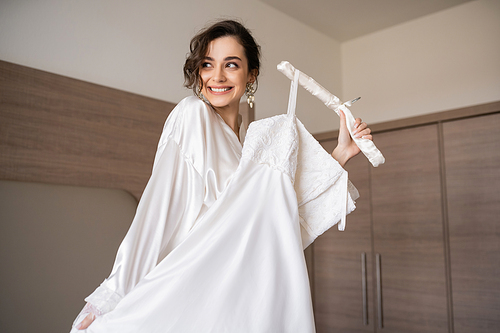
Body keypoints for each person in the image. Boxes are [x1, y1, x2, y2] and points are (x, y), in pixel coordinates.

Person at [71, 19, 372, 332]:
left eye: (231, 65)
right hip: (188, 294)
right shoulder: (192, 116)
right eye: (207, 64)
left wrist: (340, 154)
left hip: (240, 302)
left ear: (250, 75)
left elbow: (278, 232)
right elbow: (157, 213)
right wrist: (112, 295)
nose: (217, 77)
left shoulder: (249, 149)